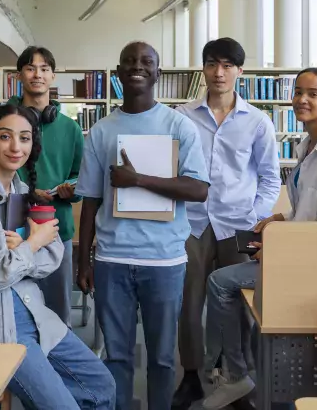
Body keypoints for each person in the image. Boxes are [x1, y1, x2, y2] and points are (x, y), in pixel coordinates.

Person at [201, 67, 317, 409]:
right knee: (240, 294)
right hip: (301, 254)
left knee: (221, 283)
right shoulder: (308, 145)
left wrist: (279, 248)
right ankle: (241, 372)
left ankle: (235, 375)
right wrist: (280, 218)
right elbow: (308, 210)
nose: (302, 100)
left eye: (313, 94)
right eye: (298, 92)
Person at [0, 104, 115, 409]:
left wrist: (22, 247)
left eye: (24, 138)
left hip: (35, 312)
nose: (15, 146)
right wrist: (32, 243)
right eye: (5, 136)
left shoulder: (20, 190)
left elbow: (54, 255)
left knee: (102, 385)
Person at [76, 41, 210, 410]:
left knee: (163, 358)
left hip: (164, 261)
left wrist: (138, 180)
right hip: (111, 261)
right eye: (130, 62)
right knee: (116, 356)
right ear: (118, 73)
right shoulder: (101, 131)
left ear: (158, 73)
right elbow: (90, 200)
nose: (138, 66)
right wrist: (83, 261)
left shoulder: (179, 126)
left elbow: (198, 189)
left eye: (146, 62)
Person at [172, 38, 281, 409]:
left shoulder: (258, 122)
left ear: (240, 71)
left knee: (238, 304)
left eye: (227, 65)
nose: (219, 73)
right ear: (203, 68)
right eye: (212, 64)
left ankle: (236, 377)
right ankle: (191, 376)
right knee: (189, 303)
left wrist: (254, 218)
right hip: (193, 222)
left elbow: (270, 178)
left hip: (239, 225)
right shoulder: (182, 117)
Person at [7, 46, 84, 326]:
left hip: (56, 230)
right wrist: (26, 191)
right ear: (19, 76)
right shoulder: (5, 121)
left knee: (57, 314)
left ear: (53, 76)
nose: (37, 74)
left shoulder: (70, 128)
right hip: (12, 230)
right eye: (30, 68)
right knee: (12, 313)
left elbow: (80, 174)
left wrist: (72, 188)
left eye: (43, 68)